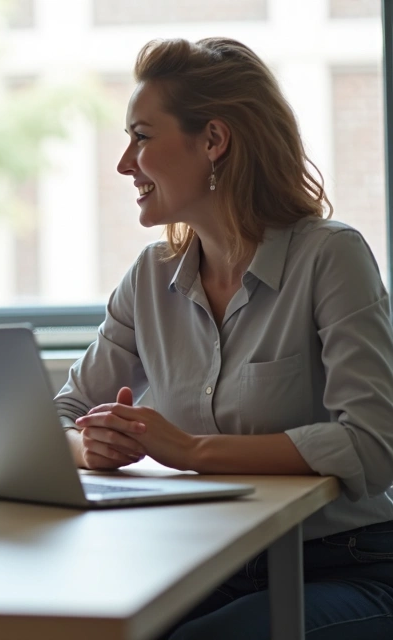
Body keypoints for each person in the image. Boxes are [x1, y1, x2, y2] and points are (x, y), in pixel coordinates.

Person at [55, 37, 393, 639]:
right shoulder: (150, 276)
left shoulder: (330, 257)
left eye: (141, 136)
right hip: (199, 565)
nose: (124, 163)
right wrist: (94, 446)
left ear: (213, 141)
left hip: (345, 565)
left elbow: (372, 444)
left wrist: (189, 451)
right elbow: (58, 421)